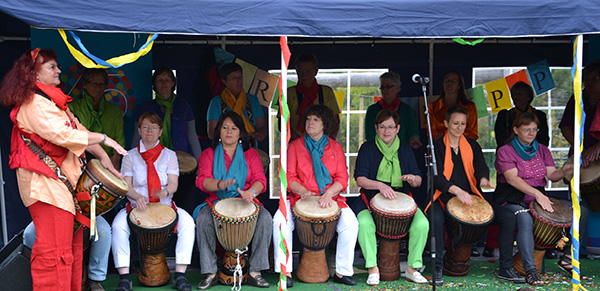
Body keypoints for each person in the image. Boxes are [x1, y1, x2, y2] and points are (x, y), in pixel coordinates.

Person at [0, 48, 126, 291]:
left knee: (72, 250)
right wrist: (103, 138)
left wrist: (107, 161)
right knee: (53, 255)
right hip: (47, 189)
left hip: (65, 191)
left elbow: (81, 132)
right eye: (52, 67)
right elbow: (64, 135)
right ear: (33, 75)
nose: (59, 70)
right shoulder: (33, 104)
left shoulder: (55, 102)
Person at [429, 106, 521, 286]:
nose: (459, 127)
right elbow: (436, 178)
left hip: (470, 198)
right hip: (443, 197)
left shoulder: (472, 145)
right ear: (446, 123)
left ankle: (506, 268)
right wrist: (456, 190)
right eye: (455, 123)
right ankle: (437, 268)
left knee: (508, 217)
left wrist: (484, 179)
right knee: (436, 218)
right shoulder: (436, 147)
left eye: (463, 123)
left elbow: (481, 167)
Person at [273, 104, 359, 287]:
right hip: (299, 199)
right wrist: (301, 190)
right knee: (279, 221)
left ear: (324, 124)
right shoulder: (295, 146)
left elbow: (342, 178)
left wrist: (328, 193)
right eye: (308, 119)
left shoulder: (335, 148)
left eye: (315, 120)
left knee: (351, 224)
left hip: (331, 199)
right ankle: (285, 271)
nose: (310, 122)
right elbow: (288, 177)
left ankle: (342, 272)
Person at [111, 112, 195, 291]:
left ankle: (180, 275)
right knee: (118, 227)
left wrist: (164, 191)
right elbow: (127, 186)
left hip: (164, 206)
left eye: (154, 127)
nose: (150, 131)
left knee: (188, 224)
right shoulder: (130, 156)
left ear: (160, 131)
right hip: (136, 207)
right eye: (145, 127)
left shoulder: (170, 155)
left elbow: (173, 184)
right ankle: (124, 277)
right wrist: (137, 196)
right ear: (139, 131)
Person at [194, 111, 272, 290]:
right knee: (203, 219)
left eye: (234, 128)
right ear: (219, 132)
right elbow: (201, 180)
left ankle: (255, 272)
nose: (229, 132)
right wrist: (218, 184)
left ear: (240, 133)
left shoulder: (251, 154)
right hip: (216, 203)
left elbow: (261, 180)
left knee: (265, 218)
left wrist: (251, 192)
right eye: (225, 128)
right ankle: (210, 272)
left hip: (245, 203)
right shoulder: (208, 154)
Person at [495, 112, 573, 286]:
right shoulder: (505, 150)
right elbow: (512, 179)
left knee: (574, 212)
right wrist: (539, 194)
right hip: (510, 198)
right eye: (527, 129)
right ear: (515, 129)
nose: (531, 133)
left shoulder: (542, 149)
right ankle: (530, 271)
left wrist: (565, 171)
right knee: (523, 217)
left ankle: (568, 257)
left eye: (534, 129)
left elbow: (552, 175)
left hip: (536, 199)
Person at [353, 109, 428, 285]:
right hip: (370, 196)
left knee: (422, 224)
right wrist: (380, 185)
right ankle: (372, 268)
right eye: (382, 127)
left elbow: (418, 179)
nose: (386, 131)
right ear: (376, 128)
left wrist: (412, 179)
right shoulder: (367, 148)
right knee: (364, 224)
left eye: (390, 127)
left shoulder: (405, 149)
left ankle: (412, 269)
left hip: (400, 198)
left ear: (398, 128)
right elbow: (360, 179)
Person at [558, 59, 600, 274]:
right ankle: (569, 254)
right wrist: (580, 149)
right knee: (576, 208)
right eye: (588, 79)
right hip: (580, 158)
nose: (591, 83)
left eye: (596, 79)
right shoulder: (578, 98)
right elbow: (565, 126)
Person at [23, 217, 111, 291]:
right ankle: (34, 276)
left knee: (104, 231)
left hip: (87, 212)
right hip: (57, 210)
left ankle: (95, 280)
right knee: (29, 234)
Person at [132, 67, 202, 159]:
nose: (163, 83)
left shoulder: (183, 106)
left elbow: (192, 135)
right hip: (152, 160)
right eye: (159, 80)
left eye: (167, 80)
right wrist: (131, 160)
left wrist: (200, 162)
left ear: (173, 83)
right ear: (154, 84)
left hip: (182, 161)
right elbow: (137, 137)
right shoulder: (145, 107)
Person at [70, 68, 126, 169]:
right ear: (85, 85)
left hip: (109, 162)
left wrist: (115, 159)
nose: (98, 88)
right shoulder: (73, 108)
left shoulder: (114, 110)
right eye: (94, 84)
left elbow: (120, 138)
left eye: (102, 84)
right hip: (79, 162)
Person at [283, 53, 341, 141]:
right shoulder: (289, 93)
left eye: (308, 71)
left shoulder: (327, 91)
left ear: (316, 71)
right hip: (297, 144)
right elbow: (282, 123)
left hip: (323, 144)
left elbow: (335, 122)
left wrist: (328, 141)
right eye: (300, 71)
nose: (304, 75)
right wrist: (298, 142)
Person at [206, 62, 267, 144]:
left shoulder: (253, 100)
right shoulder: (216, 102)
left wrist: (260, 134)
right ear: (224, 81)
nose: (239, 81)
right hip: (225, 152)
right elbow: (212, 133)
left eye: (240, 77)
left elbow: (262, 126)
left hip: (249, 151)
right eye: (234, 78)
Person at [364, 72, 421, 149]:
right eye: (382, 87)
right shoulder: (372, 110)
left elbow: (413, 131)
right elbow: (370, 135)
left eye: (388, 87)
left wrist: (414, 139)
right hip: (378, 152)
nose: (384, 90)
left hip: (402, 152)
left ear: (398, 88)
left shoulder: (407, 110)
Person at [495, 81, 549, 148]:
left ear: (529, 96)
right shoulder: (504, 115)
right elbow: (500, 140)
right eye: (514, 94)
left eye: (520, 94)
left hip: (534, 154)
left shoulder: (540, 116)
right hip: (509, 154)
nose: (516, 97)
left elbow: (544, 140)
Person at [428, 70, 478, 140]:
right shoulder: (432, 107)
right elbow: (431, 133)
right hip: (440, 146)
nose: (449, 83)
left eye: (453, 81)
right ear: (443, 84)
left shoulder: (469, 106)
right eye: (447, 80)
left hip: (464, 146)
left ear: (459, 86)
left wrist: (451, 136)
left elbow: (473, 133)